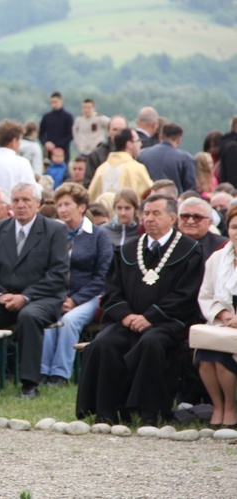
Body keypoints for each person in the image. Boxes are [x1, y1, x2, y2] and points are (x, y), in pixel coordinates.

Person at [76, 195, 204, 425]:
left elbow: (186, 295)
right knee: (103, 343)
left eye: (156, 213)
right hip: (128, 321)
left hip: (168, 323)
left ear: (173, 218)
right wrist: (126, 316)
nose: (149, 218)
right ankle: (106, 411)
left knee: (151, 343)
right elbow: (112, 291)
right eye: (146, 213)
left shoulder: (189, 250)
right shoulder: (128, 250)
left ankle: (148, 412)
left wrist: (151, 317)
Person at [0, 182, 68, 398]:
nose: (21, 205)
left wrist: (25, 297)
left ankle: (29, 384)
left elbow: (58, 273)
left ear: (37, 203)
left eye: (26, 200)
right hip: (2, 298)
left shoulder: (55, 230)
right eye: (16, 200)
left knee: (29, 316)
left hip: (40, 298)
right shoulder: (0, 228)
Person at [41, 184, 112, 386]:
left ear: (81, 207)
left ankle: (60, 375)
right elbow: (45, 269)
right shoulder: (54, 233)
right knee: (47, 320)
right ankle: (42, 372)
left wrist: (75, 300)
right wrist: (58, 296)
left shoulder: (99, 235)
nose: (62, 209)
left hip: (91, 296)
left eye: (67, 204)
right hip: (57, 295)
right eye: (59, 205)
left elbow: (103, 275)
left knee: (70, 320)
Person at [195, 205, 237, 426]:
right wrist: (222, 314)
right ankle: (218, 406)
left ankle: (231, 407)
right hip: (222, 322)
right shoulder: (217, 259)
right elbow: (206, 294)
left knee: (222, 361)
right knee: (205, 357)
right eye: (234, 227)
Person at [88, 128, 152, 202]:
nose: (140, 144)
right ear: (129, 144)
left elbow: (91, 198)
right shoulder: (137, 168)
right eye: (138, 141)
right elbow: (150, 194)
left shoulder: (101, 169)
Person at [138, 123, 197, 195]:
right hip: (173, 201)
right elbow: (190, 189)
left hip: (149, 200)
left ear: (160, 137)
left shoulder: (142, 155)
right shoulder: (185, 158)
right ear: (179, 139)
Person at [85, 115, 128, 188]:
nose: (118, 133)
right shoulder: (96, 155)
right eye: (115, 129)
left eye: (122, 130)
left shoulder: (134, 152)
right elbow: (88, 183)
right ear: (108, 131)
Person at [39, 91, 74, 161]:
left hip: (63, 152)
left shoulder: (68, 117)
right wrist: (45, 143)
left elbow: (70, 135)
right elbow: (41, 134)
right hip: (48, 152)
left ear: (61, 101)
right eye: (52, 102)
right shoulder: (46, 117)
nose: (53, 104)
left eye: (55, 102)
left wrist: (56, 145)